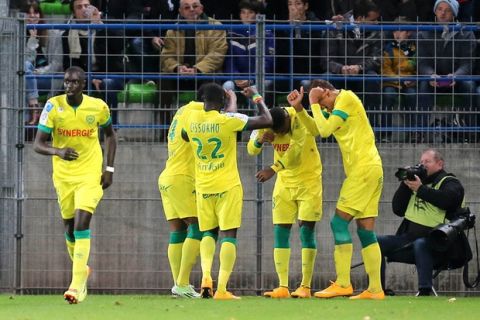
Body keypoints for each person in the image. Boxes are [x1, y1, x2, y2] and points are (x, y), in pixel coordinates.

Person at [292, 79, 384, 300]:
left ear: (326, 91)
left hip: (363, 170)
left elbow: (324, 132)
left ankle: (343, 283)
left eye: (324, 102)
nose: (324, 108)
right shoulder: (336, 107)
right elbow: (317, 128)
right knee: (365, 230)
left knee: (338, 222)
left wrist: (312, 101)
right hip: (369, 170)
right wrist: (300, 109)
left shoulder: (346, 98)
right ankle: (375, 289)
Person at [33, 66, 117, 304]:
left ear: (83, 84)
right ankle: (83, 270)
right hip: (63, 176)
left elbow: (110, 135)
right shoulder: (53, 106)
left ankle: (76, 285)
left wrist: (108, 168)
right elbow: (38, 144)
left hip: (90, 174)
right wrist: (57, 150)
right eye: (66, 82)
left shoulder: (98, 106)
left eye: (74, 82)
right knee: (69, 229)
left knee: (82, 223)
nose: (69, 86)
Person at [181, 83, 273, 300]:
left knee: (208, 233)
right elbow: (267, 120)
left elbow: (185, 136)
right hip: (227, 185)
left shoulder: (191, 120)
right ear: (222, 102)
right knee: (229, 234)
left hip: (203, 186)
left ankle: (205, 277)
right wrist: (257, 97)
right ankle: (221, 288)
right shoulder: (227, 121)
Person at [158, 87, 238, 298]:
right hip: (184, 177)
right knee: (198, 228)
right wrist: (232, 100)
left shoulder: (182, 111)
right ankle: (182, 283)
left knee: (177, 231)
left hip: (168, 176)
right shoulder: (198, 111)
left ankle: (179, 285)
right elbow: (226, 121)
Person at [247, 99, 322, 298]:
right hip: (284, 185)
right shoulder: (267, 122)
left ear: (287, 120)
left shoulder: (298, 119)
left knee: (306, 231)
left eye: (280, 131)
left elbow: (295, 152)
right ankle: (282, 287)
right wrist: (259, 140)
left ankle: (305, 286)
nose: (278, 135)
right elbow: (251, 150)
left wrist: (273, 169)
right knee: (280, 231)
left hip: (308, 181)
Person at [377, 149, 465, 296]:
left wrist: (420, 189)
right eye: (421, 162)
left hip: (440, 244)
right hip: (409, 241)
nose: (423, 165)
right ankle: (377, 289)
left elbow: (448, 200)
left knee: (421, 243)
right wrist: (405, 184)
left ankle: (425, 290)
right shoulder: (417, 183)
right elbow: (397, 209)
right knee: (376, 242)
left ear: (440, 164)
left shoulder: (450, 182)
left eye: (427, 162)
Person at [417, 0, 476, 143]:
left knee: (470, 87)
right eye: (440, 9)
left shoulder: (466, 33)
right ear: (435, 11)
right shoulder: (424, 33)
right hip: (433, 80)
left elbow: (468, 63)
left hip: (457, 79)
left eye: (447, 10)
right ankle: (419, 133)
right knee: (423, 88)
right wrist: (430, 75)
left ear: (454, 14)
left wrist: (457, 76)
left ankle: (472, 132)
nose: (443, 13)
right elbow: (422, 62)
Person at [325, 0, 383, 137]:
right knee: (327, 79)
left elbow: (378, 59)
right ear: (359, 19)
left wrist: (359, 67)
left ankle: (372, 129)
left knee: (373, 79)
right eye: (373, 20)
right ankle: (331, 130)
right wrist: (341, 68)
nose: (376, 23)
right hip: (340, 73)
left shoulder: (378, 31)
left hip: (362, 72)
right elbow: (327, 60)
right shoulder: (337, 26)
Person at [62, 0, 126, 125]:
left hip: (111, 73)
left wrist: (99, 26)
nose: (84, 10)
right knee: (73, 87)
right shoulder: (68, 35)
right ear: (74, 13)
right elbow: (69, 65)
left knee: (107, 84)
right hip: (85, 76)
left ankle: (110, 128)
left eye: (87, 6)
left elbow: (119, 45)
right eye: (79, 7)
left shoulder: (106, 25)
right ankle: (79, 128)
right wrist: (89, 78)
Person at [160, 0, 228, 110]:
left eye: (195, 6)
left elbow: (217, 54)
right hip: (180, 74)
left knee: (212, 83)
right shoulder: (172, 30)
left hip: (204, 73)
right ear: (180, 12)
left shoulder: (216, 27)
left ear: (201, 8)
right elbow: (167, 56)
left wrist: (198, 69)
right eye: (187, 7)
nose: (192, 9)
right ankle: (165, 126)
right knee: (164, 80)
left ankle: (204, 123)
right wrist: (177, 68)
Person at [222, 0, 275, 107]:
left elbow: (268, 62)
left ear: (257, 15)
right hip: (237, 79)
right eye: (243, 12)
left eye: (250, 12)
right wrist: (236, 77)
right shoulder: (232, 34)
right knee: (227, 85)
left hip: (258, 78)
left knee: (262, 86)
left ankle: (259, 118)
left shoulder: (267, 34)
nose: (246, 16)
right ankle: (229, 117)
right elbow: (229, 60)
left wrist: (251, 79)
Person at [275, 0, 326, 102]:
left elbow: (311, 53)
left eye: (297, 4)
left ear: (305, 6)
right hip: (286, 72)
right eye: (290, 4)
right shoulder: (281, 27)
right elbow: (280, 56)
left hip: (309, 71)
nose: (293, 8)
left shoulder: (316, 25)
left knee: (306, 84)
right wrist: (290, 28)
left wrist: (297, 29)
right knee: (270, 83)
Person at [23, 0, 63, 125]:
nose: (32, 16)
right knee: (24, 74)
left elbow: (57, 63)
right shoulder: (17, 35)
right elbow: (24, 62)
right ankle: (34, 109)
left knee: (23, 80)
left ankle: (26, 121)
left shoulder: (53, 35)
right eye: (28, 13)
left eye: (35, 12)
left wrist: (38, 72)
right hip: (28, 77)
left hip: (48, 77)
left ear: (40, 15)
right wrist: (32, 41)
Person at [381, 17, 417, 142]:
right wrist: (399, 80)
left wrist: (413, 79)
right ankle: (385, 134)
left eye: (401, 31)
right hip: (392, 82)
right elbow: (386, 70)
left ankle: (413, 133)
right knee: (388, 95)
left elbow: (418, 67)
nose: (397, 34)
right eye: (395, 31)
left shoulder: (414, 49)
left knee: (412, 96)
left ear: (408, 33)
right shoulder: (388, 48)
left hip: (410, 83)